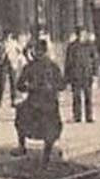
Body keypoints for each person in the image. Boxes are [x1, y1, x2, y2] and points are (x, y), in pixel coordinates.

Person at [13, 37, 65, 166]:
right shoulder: (53, 66)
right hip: (49, 104)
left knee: (20, 117)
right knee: (50, 128)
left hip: (35, 103)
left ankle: (22, 146)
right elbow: (62, 85)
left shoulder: (30, 67)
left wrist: (30, 87)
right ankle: (46, 153)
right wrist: (52, 87)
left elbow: (19, 85)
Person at [64, 24, 99, 123]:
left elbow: (95, 60)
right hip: (76, 75)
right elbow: (68, 62)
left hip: (87, 74)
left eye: (83, 33)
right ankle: (77, 116)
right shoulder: (72, 47)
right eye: (79, 34)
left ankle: (89, 116)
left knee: (88, 96)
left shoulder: (90, 46)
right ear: (77, 34)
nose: (81, 36)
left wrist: (95, 73)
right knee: (76, 97)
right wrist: (67, 77)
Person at [0, 29, 26, 107]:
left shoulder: (14, 43)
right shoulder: (1, 43)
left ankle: (13, 100)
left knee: (13, 83)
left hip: (12, 63)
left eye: (8, 35)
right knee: (1, 83)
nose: (7, 37)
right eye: (6, 36)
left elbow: (21, 50)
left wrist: (18, 57)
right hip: (3, 64)